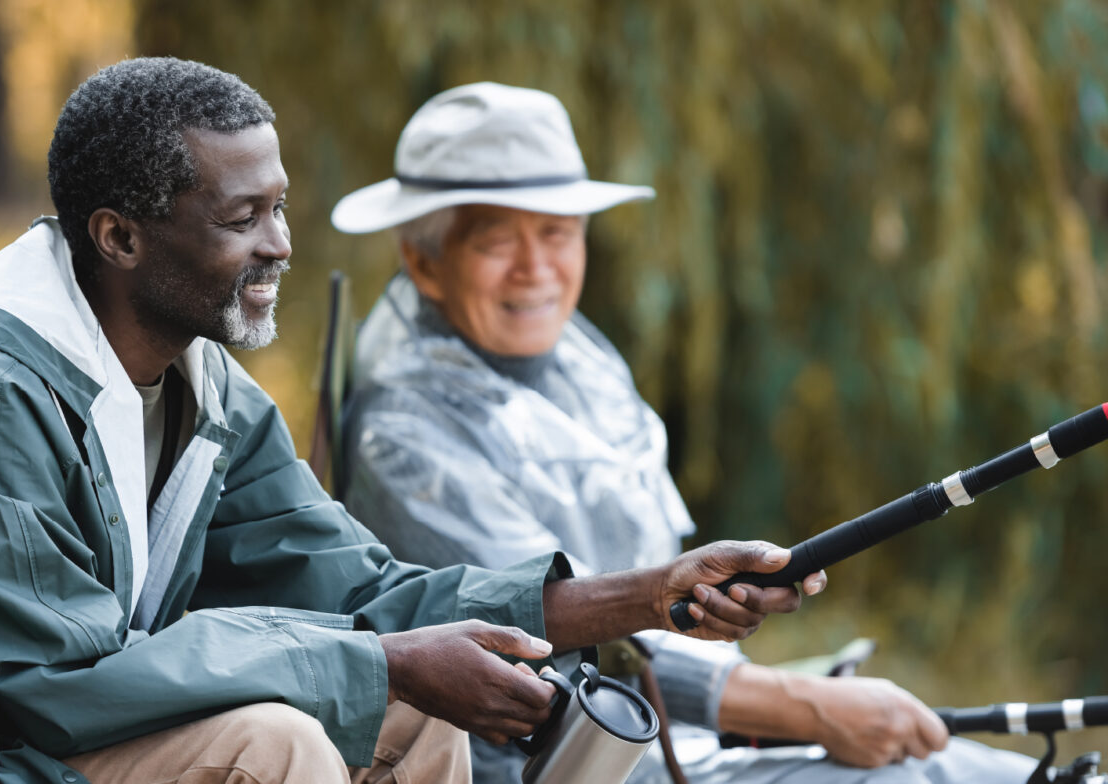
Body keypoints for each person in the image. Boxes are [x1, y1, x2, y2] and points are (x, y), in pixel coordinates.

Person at [0, 59, 816, 784]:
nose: (281, 243)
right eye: (243, 217)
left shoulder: (204, 387)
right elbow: (51, 680)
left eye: (276, 206)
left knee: (415, 717)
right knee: (277, 738)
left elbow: (364, 588)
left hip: (26, 738)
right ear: (118, 238)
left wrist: (653, 590)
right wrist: (376, 661)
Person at [332, 81, 1038, 784]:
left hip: (681, 732)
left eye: (557, 233)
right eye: (496, 241)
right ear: (424, 261)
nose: (536, 268)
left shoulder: (567, 354)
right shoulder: (403, 435)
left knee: (996, 770)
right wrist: (809, 707)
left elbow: (646, 583)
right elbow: (555, 634)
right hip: (563, 759)